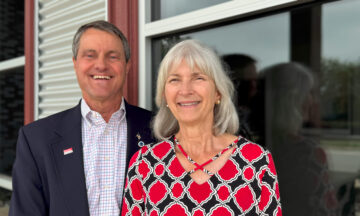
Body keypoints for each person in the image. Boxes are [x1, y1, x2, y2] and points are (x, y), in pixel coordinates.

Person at [9, 20, 155, 216]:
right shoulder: (36, 140)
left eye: (113, 57)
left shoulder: (159, 131)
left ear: (127, 65)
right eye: (90, 55)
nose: (101, 65)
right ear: (75, 64)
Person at [121, 40, 281, 216]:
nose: (186, 90)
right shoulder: (144, 164)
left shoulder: (256, 160)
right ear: (165, 95)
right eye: (175, 79)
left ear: (218, 92)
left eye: (198, 78)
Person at [260, 62, 338, 215]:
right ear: (292, 99)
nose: (312, 100)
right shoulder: (307, 152)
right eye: (309, 92)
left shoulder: (248, 145)